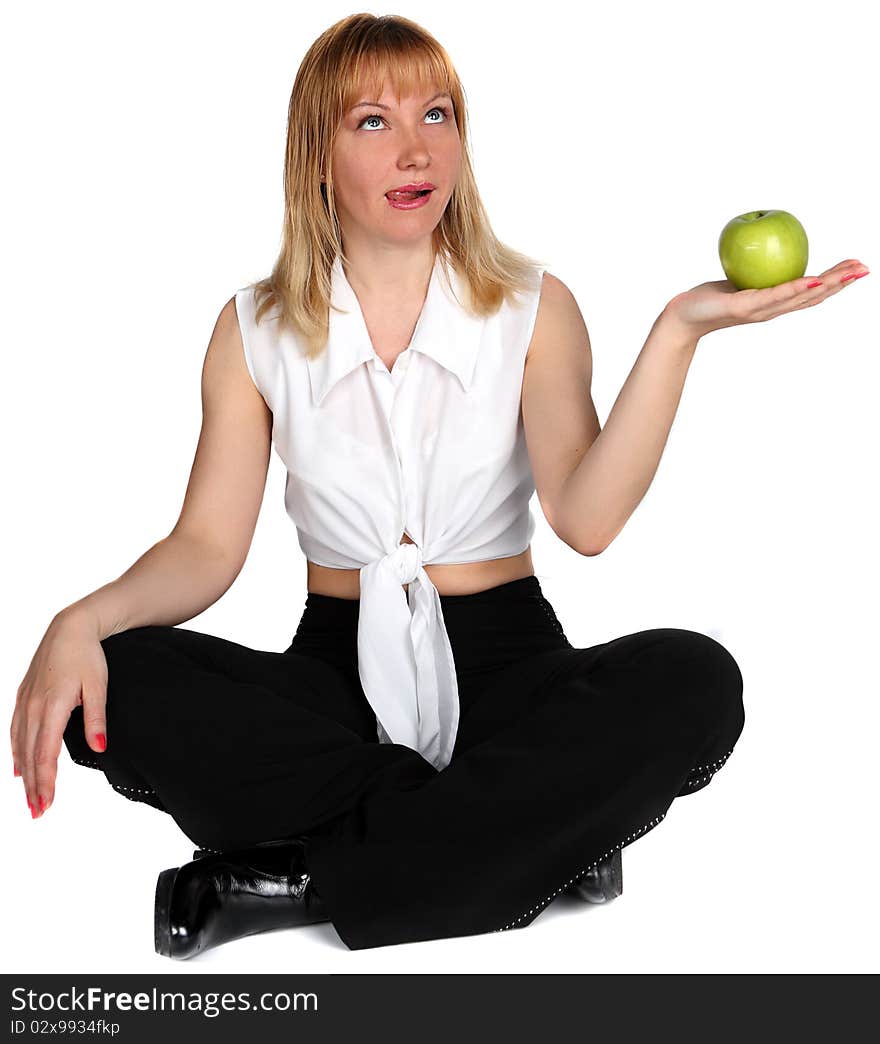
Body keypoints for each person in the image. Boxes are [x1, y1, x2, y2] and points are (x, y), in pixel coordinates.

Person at [10, 13, 867, 959]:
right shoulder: (249, 328)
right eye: (373, 122)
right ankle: (534, 836)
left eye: (438, 114)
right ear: (317, 155)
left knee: (694, 679)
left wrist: (677, 332)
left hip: (509, 665)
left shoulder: (536, 307)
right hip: (334, 676)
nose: (416, 148)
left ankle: (289, 880)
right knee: (114, 684)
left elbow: (585, 522)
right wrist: (77, 622)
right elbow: (206, 549)